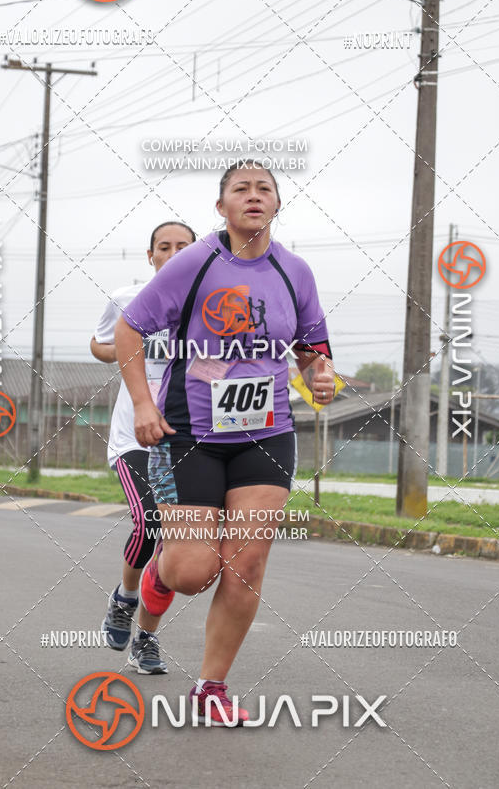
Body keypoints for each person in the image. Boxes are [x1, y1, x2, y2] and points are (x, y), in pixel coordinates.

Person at [115, 160, 335, 723]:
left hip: (267, 433)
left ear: (277, 204)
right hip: (188, 432)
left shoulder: (295, 272)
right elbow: (130, 327)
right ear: (222, 207)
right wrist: (143, 404)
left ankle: (211, 688)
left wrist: (320, 374)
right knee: (192, 571)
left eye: (265, 189)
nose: (254, 196)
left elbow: (312, 348)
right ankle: (159, 572)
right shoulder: (194, 262)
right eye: (241, 189)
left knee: (247, 563)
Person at [91, 220, 195, 673]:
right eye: (164, 247)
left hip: (186, 436)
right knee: (149, 521)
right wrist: (127, 347)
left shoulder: (211, 305)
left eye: (183, 247)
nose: (172, 254)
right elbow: (99, 344)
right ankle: (124, 598)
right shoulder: (127, 298)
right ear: (150, 256)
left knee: (176, 543)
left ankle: (146, 640)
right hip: (132, 435)